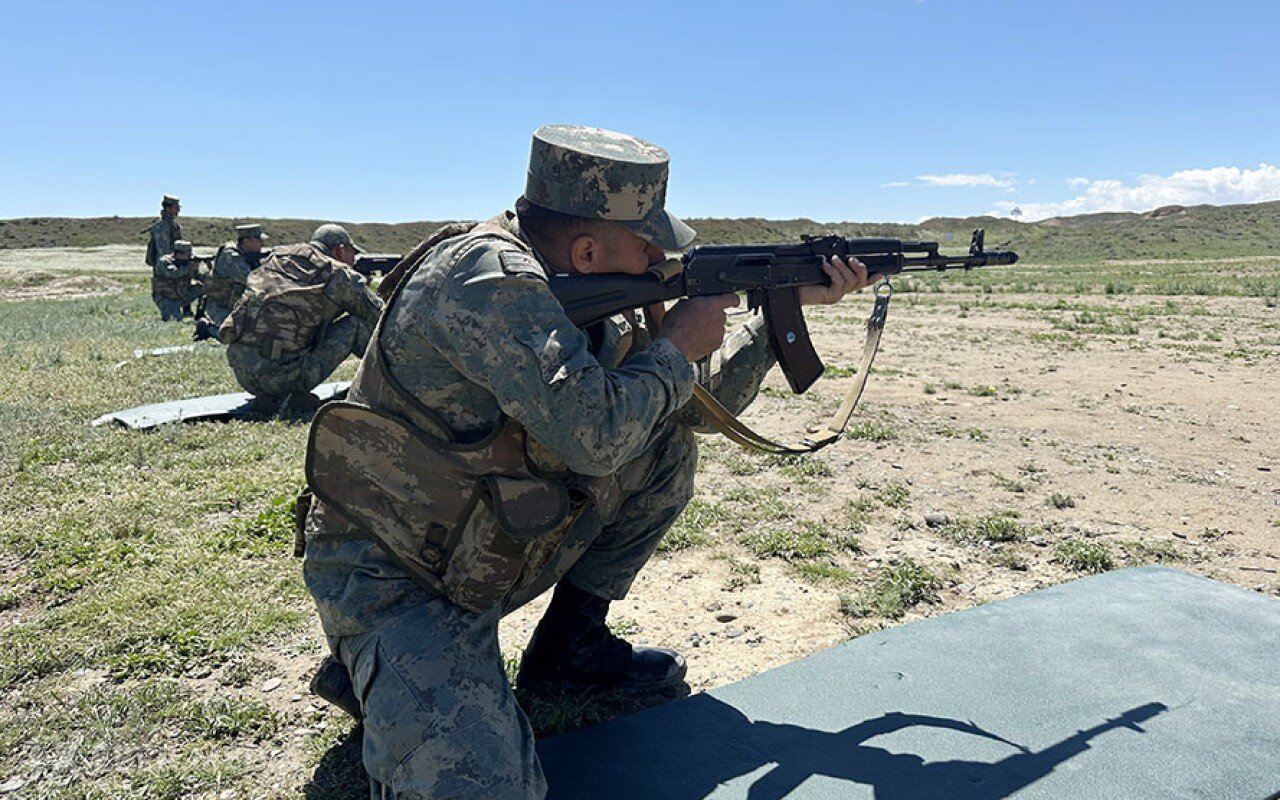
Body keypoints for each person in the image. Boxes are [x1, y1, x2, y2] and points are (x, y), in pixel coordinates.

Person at [299, 125, 875, 799]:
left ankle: (567, 653)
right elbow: (594, 437)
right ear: (589, 248)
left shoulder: (586, 285)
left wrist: (780, 310)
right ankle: (381, 658)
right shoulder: (485, 279)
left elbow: (687, 410)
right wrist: (674, 348)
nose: (661, 258)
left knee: (664, 448)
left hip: (485, 541)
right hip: (400, 574)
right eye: (648, 245)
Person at [218, 223, 383, 411]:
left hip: (243, 373)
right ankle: (391, 387)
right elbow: (379, 316)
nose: (354, 259)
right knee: (356, 325)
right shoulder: (337, 273)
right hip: (284, 378)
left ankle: (276, 395)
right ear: (340, 250)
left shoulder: (276, 258)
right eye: (352, 253)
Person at [194, 223, 270, 340]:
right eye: (259, 240)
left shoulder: (246, 255)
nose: (263, 244)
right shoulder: (230, 256)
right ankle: (207, 328)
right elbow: (251, 279)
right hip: (220, 306)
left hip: (238, 306)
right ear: (246, 241)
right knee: (238, 336)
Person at [151, 240, 201, 321]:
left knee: (205, 286)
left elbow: (197, 277)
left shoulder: (187, 263)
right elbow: (173, 274)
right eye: (187, 255)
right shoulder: (164, 261)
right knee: (173, 319)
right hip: (165, 297)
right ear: (178, 254)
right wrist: (189, 268)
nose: (189, 257)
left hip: (182, 294)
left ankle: (199, 313)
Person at [145, 194, 183, 268]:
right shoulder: (162, 226)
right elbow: (163, 252)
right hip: (164, 268)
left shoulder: (173, 225)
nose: (178, 210)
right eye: (176, 207)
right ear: (168, 208)